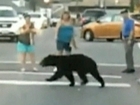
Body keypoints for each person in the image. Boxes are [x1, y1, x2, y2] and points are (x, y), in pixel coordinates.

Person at [121, 9, 135, 73]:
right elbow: (123, 30)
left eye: (124, 14)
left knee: (129, 53)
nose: (123, 15)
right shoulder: (124, 21)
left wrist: (130, 39)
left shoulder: (130, 21)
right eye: (122, 14)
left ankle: (131, 68)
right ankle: (128, 67)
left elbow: (131, 31)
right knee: (127, 54)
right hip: (125, 38)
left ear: (127, 14)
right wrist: (122, 36)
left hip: (129, 38)